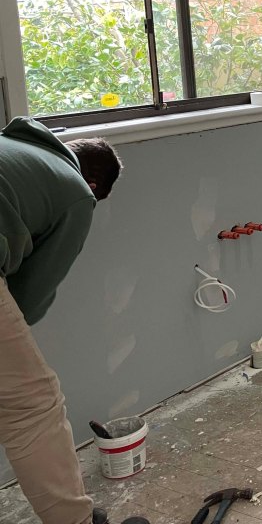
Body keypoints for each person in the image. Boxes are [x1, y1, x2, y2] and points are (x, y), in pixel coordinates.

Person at [0, 117, 147, 524]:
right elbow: (29, 296)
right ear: (96, 186)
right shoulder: (75, 191)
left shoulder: (16, 150)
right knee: (32, 404)